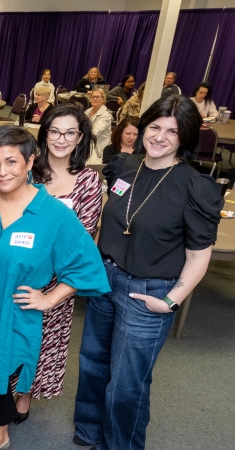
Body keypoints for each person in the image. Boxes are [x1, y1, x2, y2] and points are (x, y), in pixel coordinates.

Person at [73, 95, 222, 450]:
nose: (160, 137)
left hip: (149, 293)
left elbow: (199, 258)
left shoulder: (193, 187)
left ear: (184, 138)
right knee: (93, 362)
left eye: (172, 131)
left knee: (127, 382)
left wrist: (169, 301)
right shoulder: (126, 166)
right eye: (154, 127)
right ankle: (89, 429)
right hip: (105, 281)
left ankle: (121, 445)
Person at [0, 124, 109, 450]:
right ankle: (1, 436)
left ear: (29, 161)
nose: (1, 171)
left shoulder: (52, 213)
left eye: (11, 162)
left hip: (17, 318)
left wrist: (50, 298)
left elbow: (88, 266)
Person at [85, 88, 112, 164]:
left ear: (103, 99)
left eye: (98, 97)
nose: (95, 99)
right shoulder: (87, 112)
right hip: (87, 147)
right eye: (93, 97)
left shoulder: (106, 115)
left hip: (98, 152)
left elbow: (94, 133)